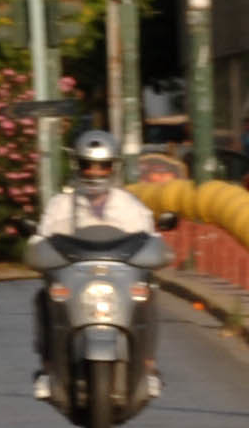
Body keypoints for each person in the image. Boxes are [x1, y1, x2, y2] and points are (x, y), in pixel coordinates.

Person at [28, 130, 162, 401]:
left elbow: (150, 237)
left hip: (119, 281)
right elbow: (41, 238)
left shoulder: (130, 206)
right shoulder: (60, 205)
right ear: (78, 165)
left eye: (102, 166)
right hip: (75, 279)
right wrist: (37, 249)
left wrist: (158, 249)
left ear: (113, 167)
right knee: (45, 296)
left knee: (149, 293)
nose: (95, 173)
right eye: (88, 165)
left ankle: (148, 366)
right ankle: (48, 368)